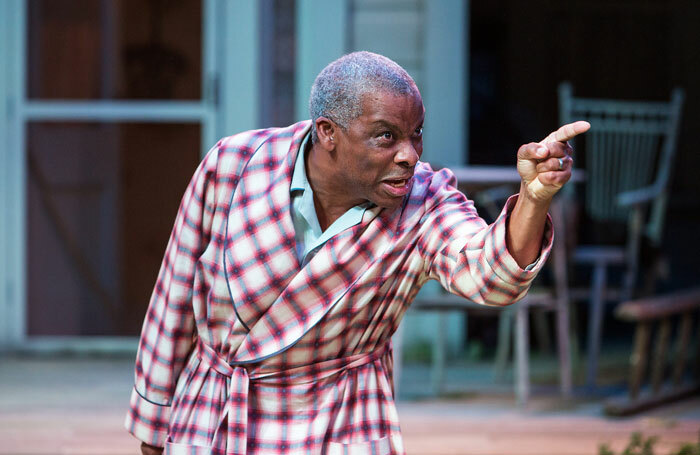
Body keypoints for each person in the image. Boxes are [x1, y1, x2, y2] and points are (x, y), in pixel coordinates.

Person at [125, 51, 589, 455]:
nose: (410, 155)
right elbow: (175, 297)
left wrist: (534, 196)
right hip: (219, 417)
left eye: (416, 135)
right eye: (387, 136)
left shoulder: (424, 202)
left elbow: (493, 276)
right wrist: (155, 423)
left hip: (341, 419)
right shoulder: (233, 165)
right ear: (328, 132)